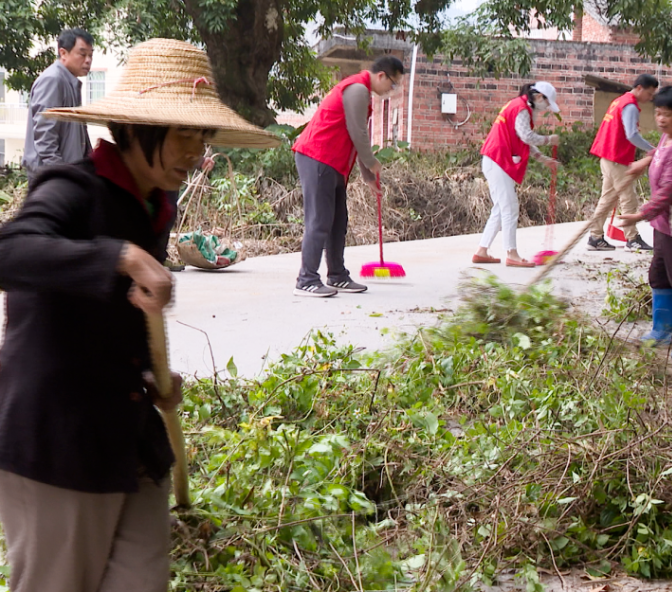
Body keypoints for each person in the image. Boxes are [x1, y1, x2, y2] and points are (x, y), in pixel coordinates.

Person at [0, 38, 279, 592]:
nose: (196, 151)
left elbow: (118, 317)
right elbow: (10, 252)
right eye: (182, 133)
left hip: (129, 438)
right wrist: (120, 256)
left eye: (201, 135)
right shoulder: (72, 188)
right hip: (57, 442)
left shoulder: (156, 201)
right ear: (135, 128)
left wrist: (149, 375)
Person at [292, 55, 405, 297]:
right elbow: (358, 132)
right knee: (319, 221)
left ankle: (337, 276)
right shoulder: (357, 89)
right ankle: (306, 279)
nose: (391, 90)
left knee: (338, 221)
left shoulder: (362, 94)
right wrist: (372, 162)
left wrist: (367, 175)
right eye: (393, 84)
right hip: (317, 156)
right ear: (381, 76)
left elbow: (355, 139)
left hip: (334, 164)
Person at [616, 86, 672, 359]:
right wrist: (644, 162)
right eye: (658, 113)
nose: (661, 120)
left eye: (667, 115)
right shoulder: (670, 137)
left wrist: (640, 215)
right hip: (665, 225)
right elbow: (660, 153)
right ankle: (662, 330)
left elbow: (670, 190)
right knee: (659, 276)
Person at [473, 82, 560, 267]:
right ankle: (511, 254)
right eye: (547, 103)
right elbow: (527, 136)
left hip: (494, 160)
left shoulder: (517, 106)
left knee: (500, 208)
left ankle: (482, 251)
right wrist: (548, 139)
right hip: (497, 160)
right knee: (510, 207)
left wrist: (543, 159)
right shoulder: (521, 109)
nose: (546, 108)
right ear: (538, 97)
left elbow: (523, 140)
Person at [587, 74, 659, 252]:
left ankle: (595, 236)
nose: (650, 98)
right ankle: (632, 238)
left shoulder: (620, 101)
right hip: (616, 157)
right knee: (629, 198)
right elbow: (632, 135)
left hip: (608, 155)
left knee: (608, 198)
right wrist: (652, 149)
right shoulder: (630, 105)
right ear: (640, 88)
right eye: (649, 94)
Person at [22, 28, 94, 180]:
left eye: (90, 55)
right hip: (51, 179)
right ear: (63, 53)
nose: (88, 60)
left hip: (65, 175)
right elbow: (45, 136)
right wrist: (61, 175)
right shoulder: (53, 80)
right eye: (82, 54)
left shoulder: (70, 81)